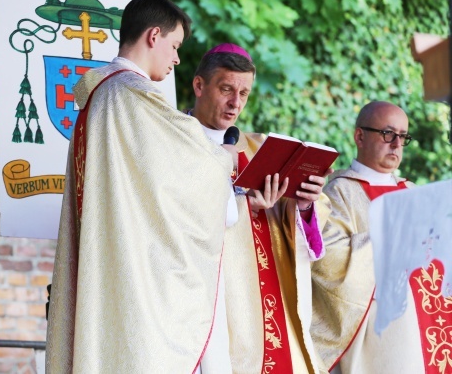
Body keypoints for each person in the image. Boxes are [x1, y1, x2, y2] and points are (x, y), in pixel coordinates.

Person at [45, 0, 235, 373]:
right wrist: (224, 159)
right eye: (175, 46)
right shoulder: (137, 98)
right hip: (135, 273)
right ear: (153, 36)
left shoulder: (99, 94)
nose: (177, 58)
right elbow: (196, 172)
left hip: (109, 257)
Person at [189, 43, 332, 373]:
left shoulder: (257, 147)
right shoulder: (176, 142)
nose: (235, 103)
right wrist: (246, 203)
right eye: (226, 89)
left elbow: (296, 223)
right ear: (199, 85)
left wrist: (305, 202)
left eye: (244, 93)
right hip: (216, 298)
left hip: (268, 300)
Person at [310, 101, 452, 373]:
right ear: (360, 136)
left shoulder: (411, 190)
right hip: (387, 334)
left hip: (432, 320)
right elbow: (329, 261)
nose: (397, 144)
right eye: (388, 134)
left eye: (403, 137)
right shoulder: (340, 193)